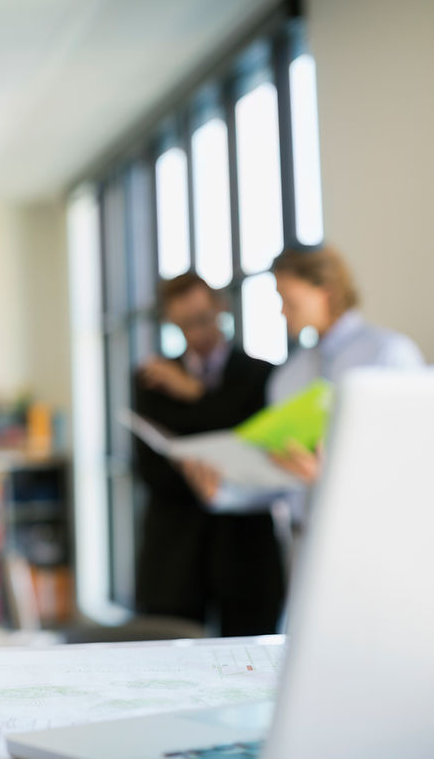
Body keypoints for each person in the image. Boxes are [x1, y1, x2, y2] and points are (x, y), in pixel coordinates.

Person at [183, 245, 425, 517]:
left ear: (326, 290)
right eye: (280, 300)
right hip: (303, 542)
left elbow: (415, 463)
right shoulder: (289, 376)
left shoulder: (389, 355)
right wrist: (222, 495)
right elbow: (282, 479)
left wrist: (330, 477)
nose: (283, 312)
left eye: (290, 301)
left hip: (371, 533)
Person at [133, 272, 284, 635]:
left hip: (246, 551)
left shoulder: (261, 376)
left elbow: (253, 452)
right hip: (175, 551)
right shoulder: (152, 381)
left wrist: (193, 395)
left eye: (202, 320)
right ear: (171, 322)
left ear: (221, 309)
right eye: (184, 324)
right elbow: (152, 469)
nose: (197, 334)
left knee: (249, 667)